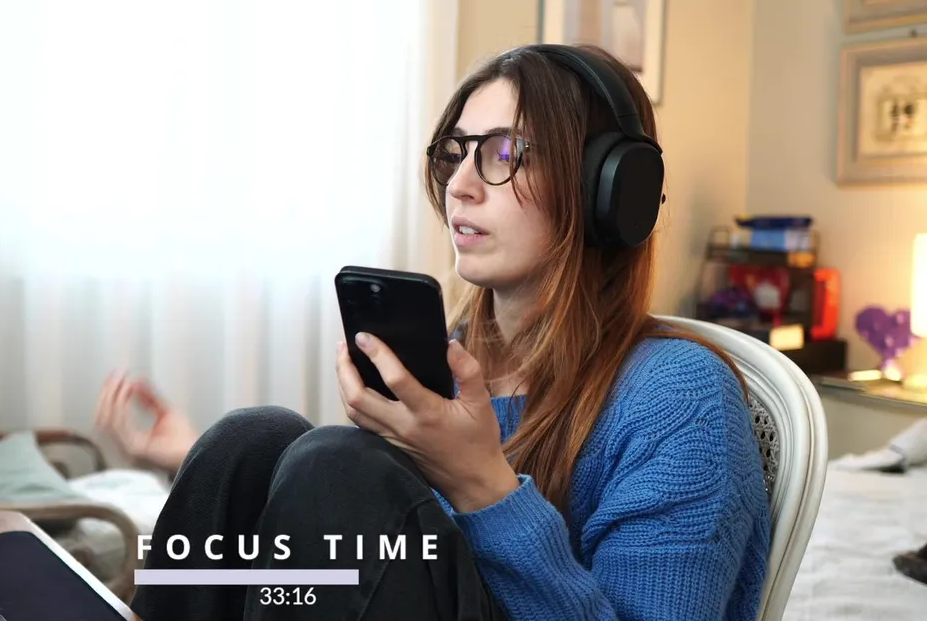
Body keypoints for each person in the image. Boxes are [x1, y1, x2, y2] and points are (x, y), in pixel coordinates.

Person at [94, 44, 772, 620]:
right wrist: (205, 473)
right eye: (456, 152)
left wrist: (483, 485)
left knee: (336, 463)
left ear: (609, 192)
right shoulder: (452, 356)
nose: (461, 185)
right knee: (254, 440)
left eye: (505, 152)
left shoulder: (681, 400)